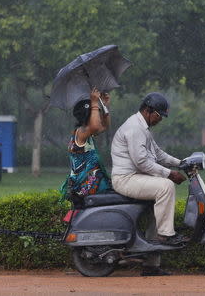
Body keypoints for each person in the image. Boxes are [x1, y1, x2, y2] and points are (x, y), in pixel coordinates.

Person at [111, 92, 187, 276]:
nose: (160, 120)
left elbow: (158, 154)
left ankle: (151, 265)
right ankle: (166, 235)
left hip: (136, 177)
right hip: (126, 178)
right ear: (148, 110)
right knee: (165, 186)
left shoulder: (142, 127)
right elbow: (142, 162)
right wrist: (169, 174)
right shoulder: (135, 128)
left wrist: (181, 163)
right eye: (159, 116)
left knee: (157, 212)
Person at [60, 87, 111, 205]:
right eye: (95, 111)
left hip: (90, 183)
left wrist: (105, 105)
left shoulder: (86, 132)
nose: (97, 112)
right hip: (85, 187)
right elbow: (96, 126)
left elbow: (104, 126)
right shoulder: (82, 132)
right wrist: (94, 102)